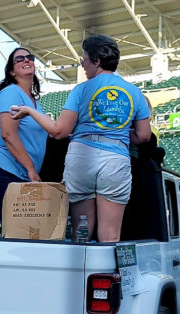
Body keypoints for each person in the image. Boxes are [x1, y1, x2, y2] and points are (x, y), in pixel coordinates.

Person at [10, 35, 151, 243]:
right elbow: (143, 136)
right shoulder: (134, 92)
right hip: (115, 159)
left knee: (81, 231)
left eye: (84, 59)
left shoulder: (81, 89)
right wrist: (113, 131)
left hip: (82, 156)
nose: (82, 64)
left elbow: (59, 131)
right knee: (110, 235)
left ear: (97, 61)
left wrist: (30, 111)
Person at [0, 47, 47, 220]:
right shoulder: (11, 92)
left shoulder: (35, 102)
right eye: (19, 59)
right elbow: (8, 134)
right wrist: (31, 168)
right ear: (12, 71)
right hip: (8, 171)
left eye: (29, 57)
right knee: (12, 231)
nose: (26, 60)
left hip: (21, 174)